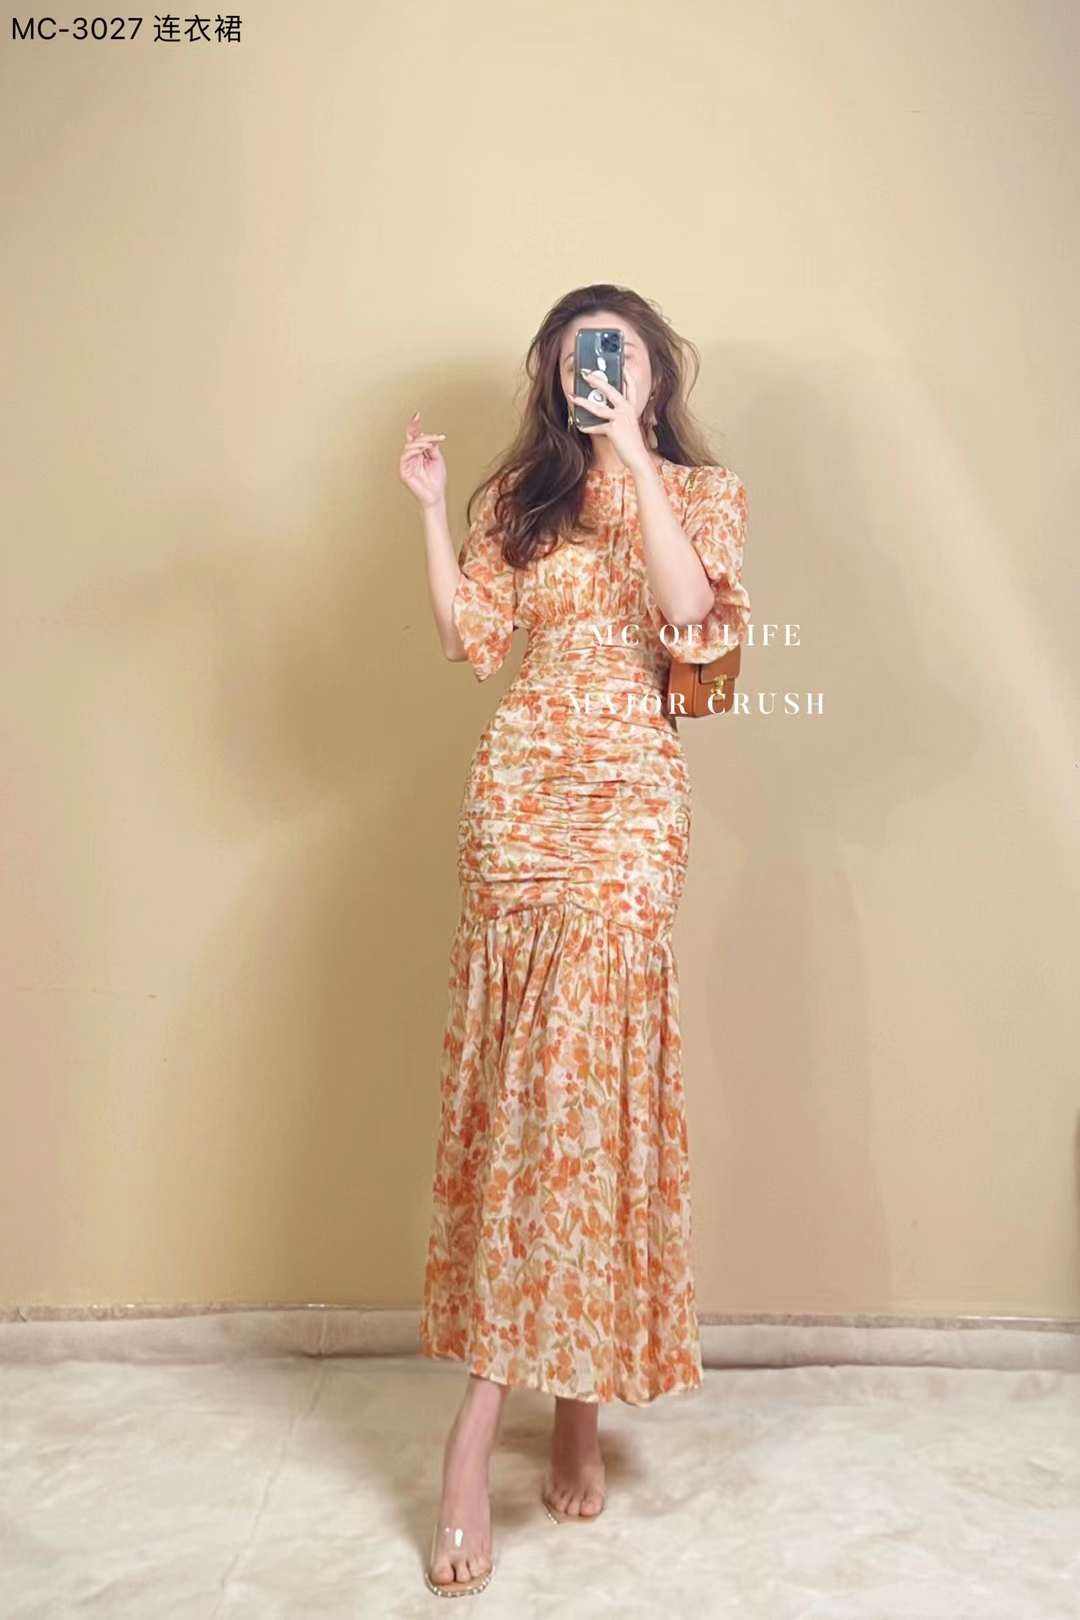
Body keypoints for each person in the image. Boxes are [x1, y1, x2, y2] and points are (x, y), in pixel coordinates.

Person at [398, 284, 752, 1598]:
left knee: (585, 1109)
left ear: (654, 373)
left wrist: (632, 461)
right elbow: (473, 639)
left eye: (618, 356)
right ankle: (512, 1419)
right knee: (522, 1108)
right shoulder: (521, 499)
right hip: (520, 803)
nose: (593, 374)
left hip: (628, 812)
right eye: (573, 362)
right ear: (553, 378)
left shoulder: (701, 496)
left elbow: (691, 619)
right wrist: (435, 508)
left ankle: (562, 1408)